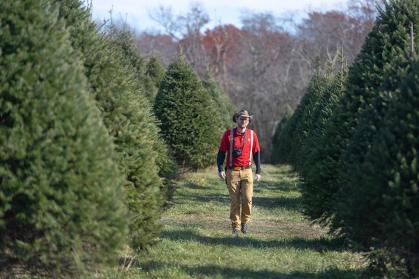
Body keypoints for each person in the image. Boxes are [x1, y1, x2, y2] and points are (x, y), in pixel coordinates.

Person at [217, 109, 261, 235]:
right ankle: (235, 226)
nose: (243, 121)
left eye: (246, 119)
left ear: (248, 121)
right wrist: (220, 169)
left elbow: (257, 153)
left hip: (247, 171)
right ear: (236, 119)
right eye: (241, 118)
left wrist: (258, 171)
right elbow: (221, 153)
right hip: (232, 172)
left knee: (247, 199)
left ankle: (245, 222)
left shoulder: (252, 135)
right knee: (234, 201)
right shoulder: (228, 134)